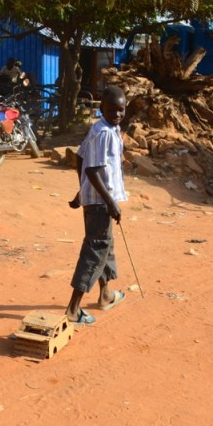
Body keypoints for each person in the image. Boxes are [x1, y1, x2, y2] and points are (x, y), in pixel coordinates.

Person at [64, 85, 128, 326]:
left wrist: (82, 191)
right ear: (102, 108)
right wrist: (111, 202)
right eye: (112, 110)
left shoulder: (103, 128)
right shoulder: (104, 133)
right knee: (95, 250)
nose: (117, 114)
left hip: (94, 200)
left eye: (121, 110)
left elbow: (80, 157)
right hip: (101, 202)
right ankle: (73, 308)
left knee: (104, 246)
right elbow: (92, 168)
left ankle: (105, 294)